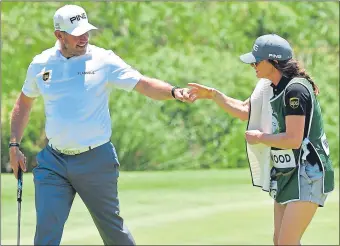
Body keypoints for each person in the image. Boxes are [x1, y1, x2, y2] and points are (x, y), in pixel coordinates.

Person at [9, 4, 193, 245]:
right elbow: (24, 103)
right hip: (54, 162)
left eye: (87, 31)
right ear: (59, 35)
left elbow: (143, 84)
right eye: (76, 33)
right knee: (46, 232)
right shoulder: (41, 63)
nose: (84, 37)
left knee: (113, 232)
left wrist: (174, 91)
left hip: (95, 159)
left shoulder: (103, 60)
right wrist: (14, 144)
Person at [187, 34, 334, 245]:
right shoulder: (268, 86)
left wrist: (261, 138)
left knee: (286, 242)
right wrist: (213, 95)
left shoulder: (295, 89)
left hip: (308, 171)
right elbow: (245, 110)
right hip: (288, 172)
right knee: (280, 241)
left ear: (273, 62)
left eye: (257, 61)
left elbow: (293, 139)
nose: (253, 65)